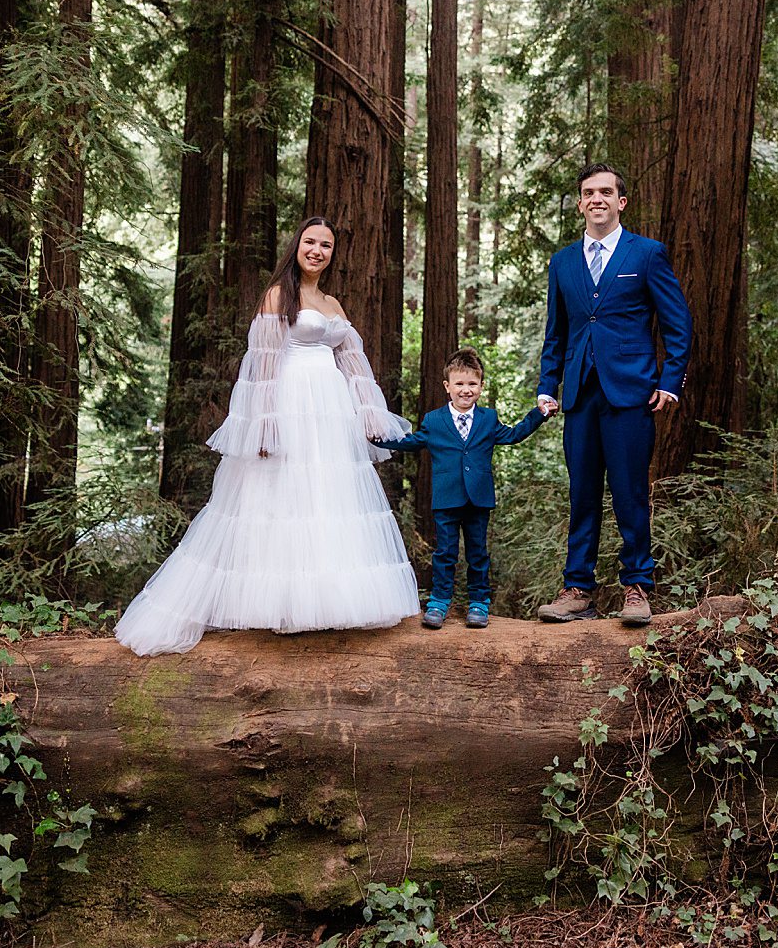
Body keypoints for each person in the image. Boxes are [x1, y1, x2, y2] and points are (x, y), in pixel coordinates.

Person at [115, 218, 419, 656]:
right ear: (297, 245)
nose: (317, 251)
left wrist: (371, 414)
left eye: (326, 246)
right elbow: (261, 364)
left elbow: (354, 362)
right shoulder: (279, 295)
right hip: (290, 405)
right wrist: (262, 423)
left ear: (333, 254)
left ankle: (326, 604)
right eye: (311, 242)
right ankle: (280, 607)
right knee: (279, 500)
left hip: (330, 415)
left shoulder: (332, 303)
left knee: (326, 499)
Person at [534, 163, 692, 626]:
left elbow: (677, 325)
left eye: (606, 192)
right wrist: (548, 384)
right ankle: (578, 589)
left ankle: (638, 588)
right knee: (582, 494)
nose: (597, 199)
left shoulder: (646, 254)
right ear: (580, 203)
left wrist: (669, 380)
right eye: (588, 193)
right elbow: (556, 332)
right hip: (580, 394)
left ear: (621, 202)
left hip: (632, 394)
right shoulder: (563, 262)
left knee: (629, 494)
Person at [372, 347, 549, 629]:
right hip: (446, 498)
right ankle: (440, 601)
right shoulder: (434, 420)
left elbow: (514, 435)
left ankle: (479, 602)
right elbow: (410, 442)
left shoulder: (488, 419)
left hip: (478, 499)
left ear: (481, 386)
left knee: (477, 552)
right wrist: (379, 439)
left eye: (472, 384)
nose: (465, 390)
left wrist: (538, 414)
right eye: (459, 384)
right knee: (445, 552)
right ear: (447, 386)